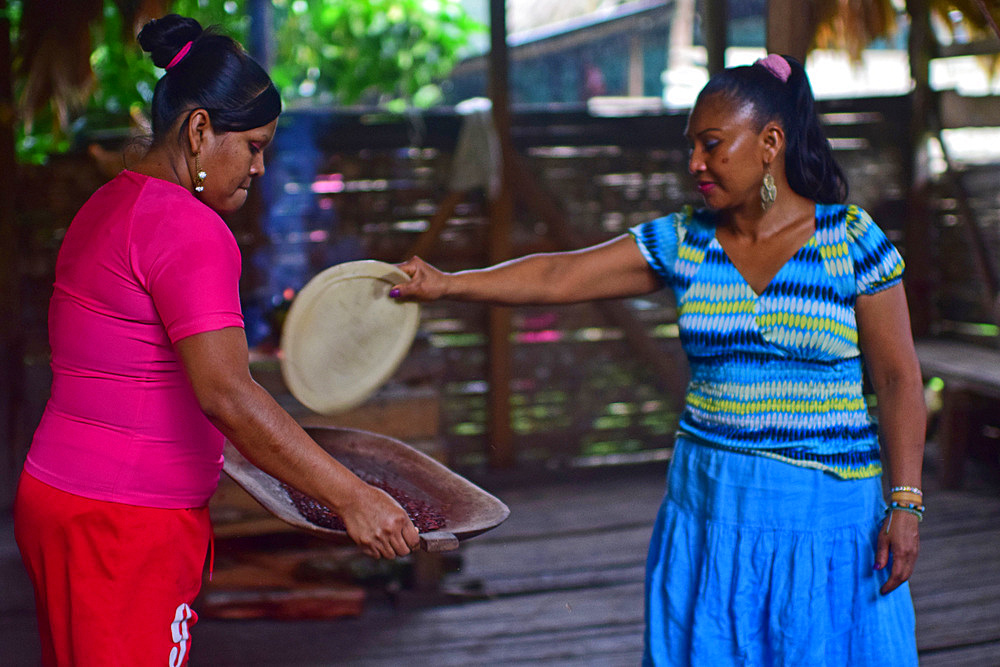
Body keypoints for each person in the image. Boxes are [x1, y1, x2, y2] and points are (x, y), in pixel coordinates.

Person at [391, 54, 924, 665]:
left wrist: (905, 503)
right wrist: (449, 283)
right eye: (691, 146)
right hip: (710, 511)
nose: (695, 163)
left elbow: (899, 378)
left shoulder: (852, 240)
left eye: (712, 144)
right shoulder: (686, 242)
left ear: (771, 143)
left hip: (830, 521)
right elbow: (561, 274)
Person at [14, 14, 419, 667]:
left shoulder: (109, 204)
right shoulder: (190, 229)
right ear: (200, 130)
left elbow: (133, 373)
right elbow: (228, 394)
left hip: (61, 500)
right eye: (254, 145)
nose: (260, 166)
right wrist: (354, 498)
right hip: (126, 522)